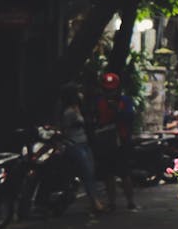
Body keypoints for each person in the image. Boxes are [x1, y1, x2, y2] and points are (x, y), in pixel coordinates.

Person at [59, 83, 107, 215]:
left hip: (83, 143)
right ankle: (95, 202)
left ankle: (94, 201)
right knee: (87, 174)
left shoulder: (78, 108)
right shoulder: (69, 112)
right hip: (74, 144)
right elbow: (64, 130)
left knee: (90, 174)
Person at [93, 72, 138, 211]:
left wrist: (117, 111)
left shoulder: (125, 101)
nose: (110, 92)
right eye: (107, 89)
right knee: (108, 174)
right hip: (106, 142)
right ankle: (112, 202)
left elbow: (130, 118)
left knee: (124, 173)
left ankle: (130, 201)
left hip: (121, 142)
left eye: (112, 89)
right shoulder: (99, 102)